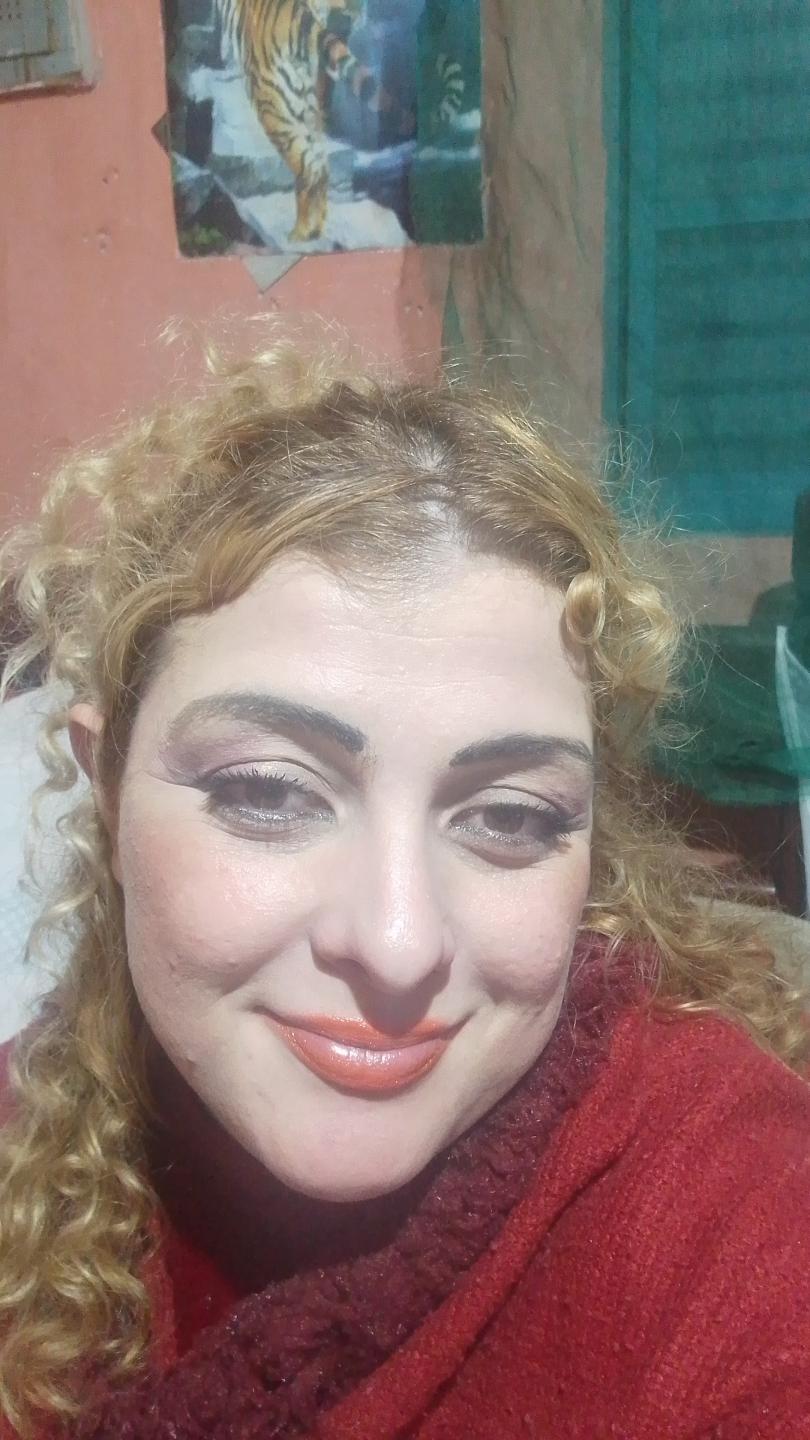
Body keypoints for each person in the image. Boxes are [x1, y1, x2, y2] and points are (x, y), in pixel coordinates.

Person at [1, 336, 809, 1440]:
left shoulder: (731, 1209)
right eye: (269, 793)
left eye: (510, 817)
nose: (396, 943)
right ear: (105, 790)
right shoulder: (31, 1122)